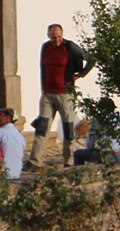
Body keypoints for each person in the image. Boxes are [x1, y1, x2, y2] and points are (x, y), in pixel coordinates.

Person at [38, 24, 93, 167]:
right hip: (48, 94)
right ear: (48, 35)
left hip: (65, 94)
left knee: (68, 128)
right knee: (42, 127)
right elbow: (43, 68)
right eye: (54, 37)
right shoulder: (45, 47)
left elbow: (90, 58)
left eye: (59, 36)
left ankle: (68, 160)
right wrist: (43, 88)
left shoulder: (70, 47)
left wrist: (80, 75)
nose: (57, 40)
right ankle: (35, 161)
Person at [0, 107, 26, 179]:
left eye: (0, 115)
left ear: (7, 118)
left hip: (3, 174)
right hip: (16, 173)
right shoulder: (20, 136)